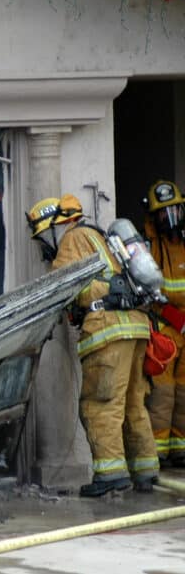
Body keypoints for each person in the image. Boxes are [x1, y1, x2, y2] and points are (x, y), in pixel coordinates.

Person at [26, 194, 159, 495]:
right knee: (132, 404)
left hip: (107, 332)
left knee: (100, 404)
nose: (45, 244)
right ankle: (146, 471)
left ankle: (110, 476)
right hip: (136, 328)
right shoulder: (101, 237)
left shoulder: (72, 240)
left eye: (44, 235)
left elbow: (61, 287)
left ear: (56, 225)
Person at [142, 180, 185, 467]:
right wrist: (176, 319)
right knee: (163, 392)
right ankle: (157, 452)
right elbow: (148, 292)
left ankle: (180, 448)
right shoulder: (148, 248)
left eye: (175, 211)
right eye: (163, 214)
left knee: (184, 392)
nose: (170, 219)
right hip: (165, 328)